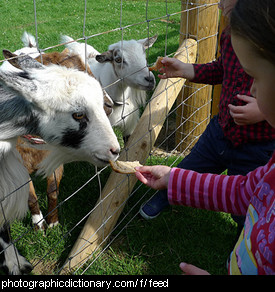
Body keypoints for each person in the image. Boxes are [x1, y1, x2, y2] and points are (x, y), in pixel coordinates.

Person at [136, 0, 275, 275]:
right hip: (220, 131)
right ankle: (168, 194)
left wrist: (262, 110)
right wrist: (187, 70)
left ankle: (246, 234)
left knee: (245, 214)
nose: (220, 2)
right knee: (191, 166)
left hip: (257, 145)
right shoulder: (233, 34)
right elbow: (244, 191)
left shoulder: (260, 36)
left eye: (254, 76)